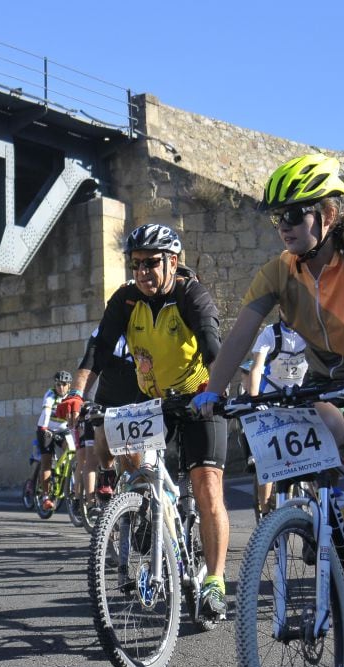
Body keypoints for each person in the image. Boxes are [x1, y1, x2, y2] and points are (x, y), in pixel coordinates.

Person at [192, 153, 344, 667]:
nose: (284, 227)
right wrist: (213, 391)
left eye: (294, 215)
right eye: (277, 217)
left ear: (327, 213)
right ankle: (334, 519)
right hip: (331, 382)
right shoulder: (281, 271)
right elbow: (240, 333)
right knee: (312, 433)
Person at [62, 223, 230, 623]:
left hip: (197, 399)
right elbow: (99, 350)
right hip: (151, 399)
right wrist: (77, 394)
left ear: (172, 262)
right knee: (131, 463)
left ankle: (216, 583)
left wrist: (215, 392)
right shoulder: (125, 300)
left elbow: (211, 344)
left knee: (207, 488)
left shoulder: (191, 294)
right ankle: (147, 513)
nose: (143, 272)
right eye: (136, 264)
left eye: (151, 264)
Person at [65, 328, 146, 515]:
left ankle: (138, 509)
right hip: (107, 398)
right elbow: (89, 362)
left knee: (132, 457)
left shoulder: (149, 327)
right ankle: (107, 472)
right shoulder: (106, 330)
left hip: (139, 397)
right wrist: (77, 396)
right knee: (101, 436)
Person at [246, 316, 308, 514]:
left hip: (301, 395)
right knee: (268, 460)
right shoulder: (270, 333)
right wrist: (254, 401)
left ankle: (318, 505)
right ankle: (266, 513)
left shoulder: (311, 329)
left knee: (313, 454)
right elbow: (256, 368)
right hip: (271, 395)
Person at [36, 370, 74, 511]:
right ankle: (45, 496)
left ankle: (65, 472)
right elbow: (46, 411)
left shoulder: (71, 396)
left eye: (64, 385)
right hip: (46, 429)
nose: (61, 388)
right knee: (46, 460)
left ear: (69, 386)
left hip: (62, 429)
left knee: (72, 450)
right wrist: (45, 429)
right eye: (58, 384)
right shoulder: (50, 394)